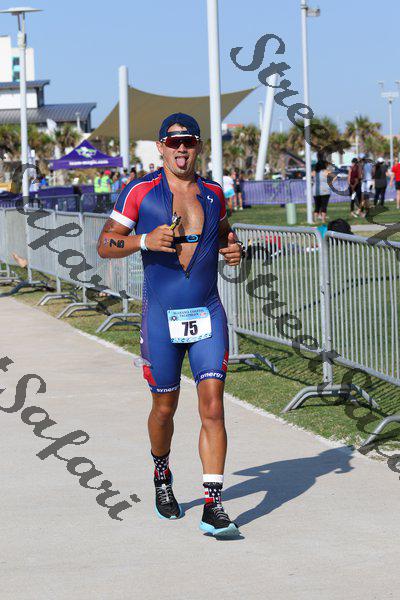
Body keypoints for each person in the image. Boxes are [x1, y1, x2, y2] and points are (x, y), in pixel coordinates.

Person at [97, 113, 244, 538]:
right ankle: (161, 472)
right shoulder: (140, 191)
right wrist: (143, 240)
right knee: (165, 408)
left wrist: (234, 249)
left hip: (206, 312)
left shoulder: (214, 193)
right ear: (160, 147)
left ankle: (213, 505)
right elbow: (105, 243)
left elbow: (226, 234)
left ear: (199, 147)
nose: (182, 149)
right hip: (161, 318)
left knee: (213, 405)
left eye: (189, 142)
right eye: (174, 142)